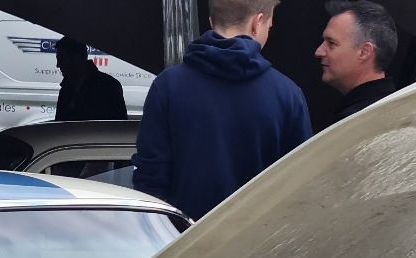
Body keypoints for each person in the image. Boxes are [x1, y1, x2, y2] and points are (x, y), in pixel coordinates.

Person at [131, 0, 310, 220]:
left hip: (183, 243)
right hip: (256, 244)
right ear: (257, 22)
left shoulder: (167, 86)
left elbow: (149, 184)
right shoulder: (288, 95)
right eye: (269, 27)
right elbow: (299, 188)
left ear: (210, 22)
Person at [315, 0, 397, 124]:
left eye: (331, 43)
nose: (318, 52)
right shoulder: (393, 109)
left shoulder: (360, 122)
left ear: (364, 52)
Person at [53, 37, 127, 122]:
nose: (58, 65)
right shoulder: (110, 85)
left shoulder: (109, 87)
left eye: (61, 59)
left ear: (76, 58)